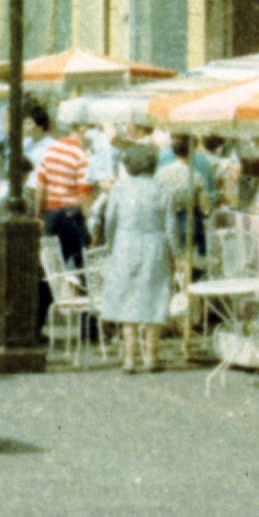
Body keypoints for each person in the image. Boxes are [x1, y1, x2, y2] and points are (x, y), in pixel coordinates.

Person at [97, 138, 182, 370]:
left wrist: (110, 243)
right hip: (155, 244)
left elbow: (110, 221)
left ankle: (129, 358)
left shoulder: (119, 189)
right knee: (155, 298)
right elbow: (171, 228)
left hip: (125, 243)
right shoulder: (164, 190)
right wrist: (177, 255)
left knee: (127, 300)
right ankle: (151, 357)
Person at [34, 114, 95, 276]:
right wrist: (90, 220)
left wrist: (38, 215)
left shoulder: (50, 151)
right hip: (73, 215)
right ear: (81, 130)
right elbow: (84, 194)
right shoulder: (80, 156)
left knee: (53, 265)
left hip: (52, 214)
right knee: (82, 265)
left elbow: (41, 187)